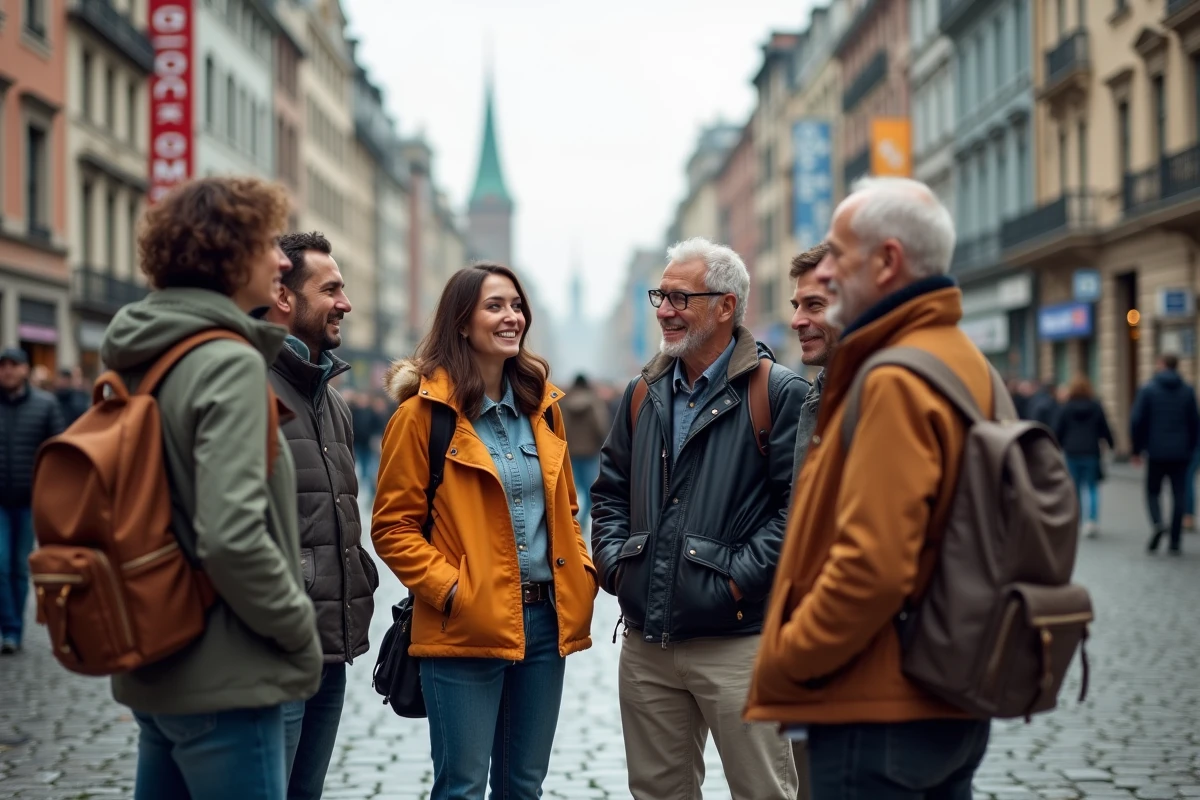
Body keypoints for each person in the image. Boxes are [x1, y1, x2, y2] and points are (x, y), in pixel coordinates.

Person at [746, 177, 994, 800]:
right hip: (951, 683)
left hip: (878, 699)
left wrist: (788, 656)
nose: (826, 273)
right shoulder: (961, 356)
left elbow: (871, 567)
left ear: (886, 262)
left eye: (839, 255)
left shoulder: (891, 377)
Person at [99, 177, 322, 800]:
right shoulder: (224, 361)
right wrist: (297, 629)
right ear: (227, 254)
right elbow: (231, 537)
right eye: (267, 244)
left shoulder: (150, 354)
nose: (282, 260)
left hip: (159, 659)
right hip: (227, 673)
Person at [591, 237, 807, 800]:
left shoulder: (778, 393)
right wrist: (618, 568)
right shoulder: (644, 392)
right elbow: (610, 490)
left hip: (740, 642)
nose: (663, 309)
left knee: (764, 792)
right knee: (659, 793)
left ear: (726, 306)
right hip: (648, 647)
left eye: (679, 297)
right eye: (660, 295)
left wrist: (732, 580)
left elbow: (799, 511)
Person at [371, 263, 598, 800]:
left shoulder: (542, 408)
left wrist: (581, 571)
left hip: (545, 623)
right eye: (495, 306)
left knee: (524, 787)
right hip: (464, 625)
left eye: (517, 306)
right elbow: (392, 526)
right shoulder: (424, 415)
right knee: (463, 788)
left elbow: (566, 507)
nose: (511, 317)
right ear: (461, 322)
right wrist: (453, 590)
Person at [263, 230, 377, 799]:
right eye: (330, 288)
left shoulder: (329, 396)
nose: (345, 302)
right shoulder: (251, 386)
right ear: (285, 297)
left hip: (329, 642)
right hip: (275, 646)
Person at [0, 347, 65, 654]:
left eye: (14, 366)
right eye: (3, 366)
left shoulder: (46, 405)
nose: (8, 371)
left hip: (28, 501)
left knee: (17, 566)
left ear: (25, 370)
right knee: (0, 564)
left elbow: (58, 451)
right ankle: (9, 628)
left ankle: (15, 631)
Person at [1130, 354, 1200, 555]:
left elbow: (1137, 421)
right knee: (1179, 494)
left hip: (1156, 451)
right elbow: (1195, 422)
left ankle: (1158, 522)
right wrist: (1193, 447)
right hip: (1181, 452)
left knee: (1153, 491)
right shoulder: (1187, 390)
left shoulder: (1148, 389)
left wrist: (1136, 449)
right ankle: (1175, 540)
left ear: (1161, 365)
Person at [789, 241, 837, 481]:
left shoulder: (885, 389)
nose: (796, 321)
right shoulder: (817, 393)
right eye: (796, 306)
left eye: (814, 305)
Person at [1054, 375, 1114, 539]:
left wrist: (1057, 446)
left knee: (1074, 487)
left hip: (1072, 451)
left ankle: (1076, 520)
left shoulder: (1066, 407)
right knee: (1092, 487)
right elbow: (1104, 427)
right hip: (1091, 451)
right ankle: (1092, 522)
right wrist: (1111, 443)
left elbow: (1058, 429)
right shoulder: (1095, 406)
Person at [559, 373, 611, 534]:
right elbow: (601, 426)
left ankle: (574, 520)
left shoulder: (564, 402)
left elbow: (561, 426)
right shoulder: (594, 402)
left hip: (571, 453)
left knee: (573, 489)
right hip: (590, 452)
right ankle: (582, 519)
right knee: (590, 489)